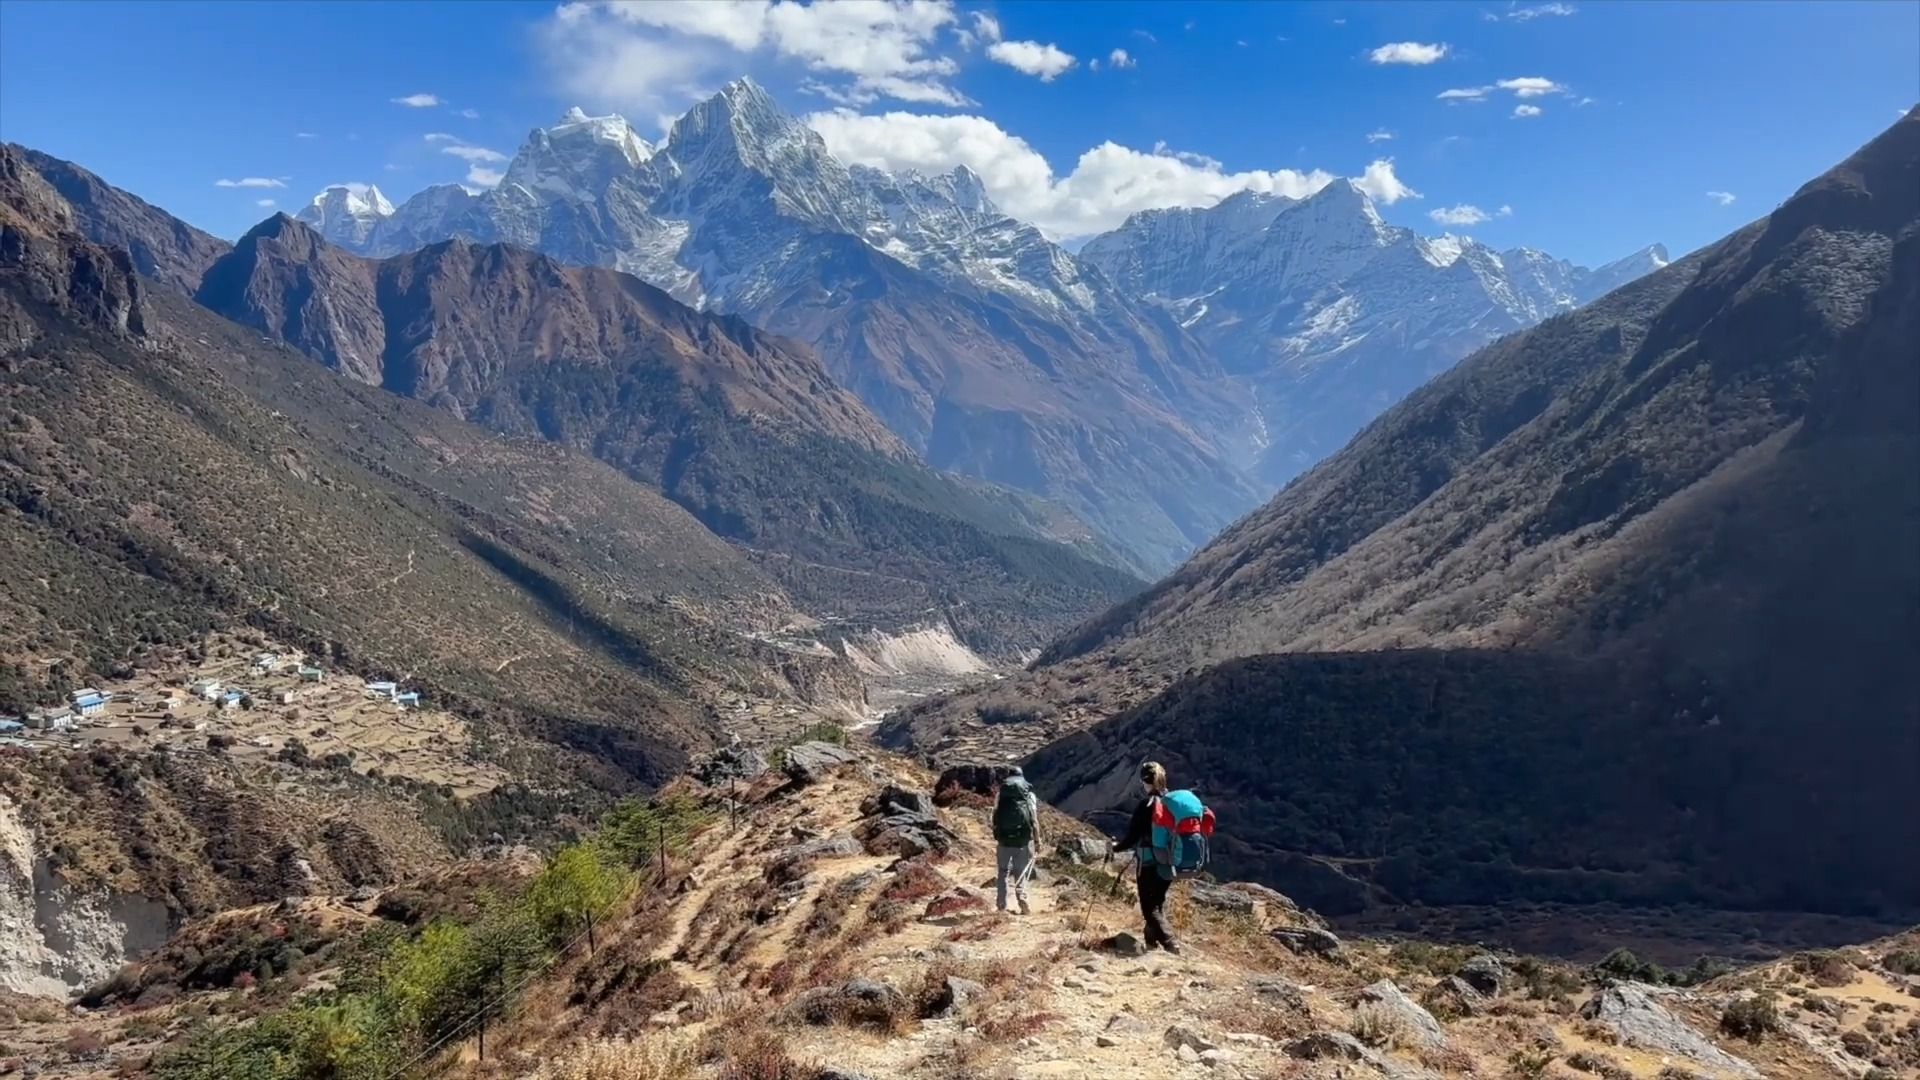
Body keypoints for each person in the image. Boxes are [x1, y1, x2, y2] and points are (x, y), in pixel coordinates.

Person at [1111, 760, 1180, 953]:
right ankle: (1151, 943)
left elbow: (1132, 837)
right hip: (1169, 861)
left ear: (1144, 781)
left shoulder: (1146, 805)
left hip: (1149, 862)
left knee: (1149, 908)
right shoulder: (1172, 803)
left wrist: (1115, 848)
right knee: (1157, 903)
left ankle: (1171, 944)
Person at [992, 766, 1039, 914]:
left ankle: (1001, 904)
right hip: (1022, 841)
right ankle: (1022, 898)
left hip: (1004, 840)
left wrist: (997, 833)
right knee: (1021, 871)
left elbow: (994, 815)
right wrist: (1037, 841)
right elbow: (1034, 820)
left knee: (1003, 872)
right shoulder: (1028, 795)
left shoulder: (1001, 795)